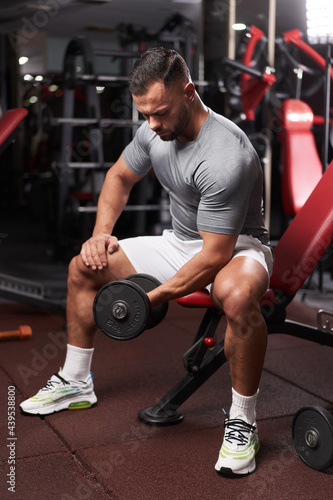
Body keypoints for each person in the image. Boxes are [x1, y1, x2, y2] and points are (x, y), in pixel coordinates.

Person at [20, 47, 273, 477]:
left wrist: (147, 298)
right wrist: (100, 236)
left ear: (189, 92)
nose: (152, 124)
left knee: (237, 294)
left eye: (160, 112)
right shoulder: (153, 131)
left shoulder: (226, 156)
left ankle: (243, 420)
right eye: (145, 114)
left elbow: (215, 256)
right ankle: (76, 380)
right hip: (178, 241)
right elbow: (119, 177)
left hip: (237, 247)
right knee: (84, 266)